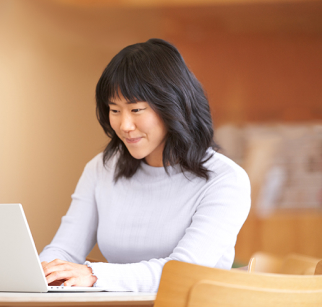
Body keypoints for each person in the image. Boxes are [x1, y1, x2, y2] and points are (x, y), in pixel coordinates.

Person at [39, 38, 251, 293]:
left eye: (136, 109)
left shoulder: (225, 179)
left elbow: (183, 271)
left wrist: (94, 274)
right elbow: (64, 249)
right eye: (114, 110)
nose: (125, 125)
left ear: (174, 106)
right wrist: (43, 269)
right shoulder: (101, 169)